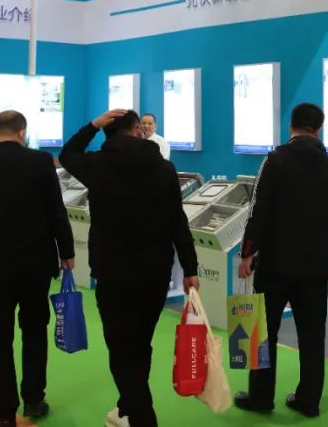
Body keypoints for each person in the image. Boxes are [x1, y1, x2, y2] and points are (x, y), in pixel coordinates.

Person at [59, 109, 199, 427]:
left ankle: (141, 417)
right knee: (140, 344)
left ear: (108, 132)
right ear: (138, 130)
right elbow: (178, 222)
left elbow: (68, 154)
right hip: (155, 271)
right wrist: (190, 268)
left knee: (121, 348)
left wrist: (92, 124)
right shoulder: (164, 168)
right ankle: (127, 407)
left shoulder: (98, 165)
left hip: (113, 272)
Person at [0, 110, 75, 427]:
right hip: (36, 266)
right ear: (22, 132)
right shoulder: (41, 163)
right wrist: (67, 252)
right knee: (34, 332)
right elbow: (56, 212)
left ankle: (3, 410)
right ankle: (34, 399)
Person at [234, 103, 328, 418]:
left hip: (274, 264)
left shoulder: (274, 160)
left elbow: (258, 210)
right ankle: (308, 400)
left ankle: (260, 397)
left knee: (262, 332)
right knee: (312, 336)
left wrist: (247, 252)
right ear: (318, 129)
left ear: (291, 127)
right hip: (315, 266)